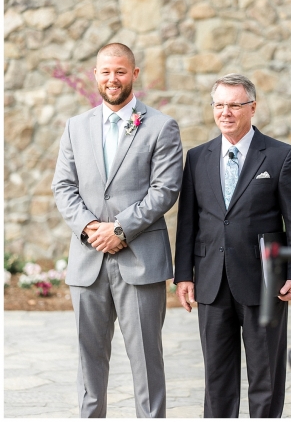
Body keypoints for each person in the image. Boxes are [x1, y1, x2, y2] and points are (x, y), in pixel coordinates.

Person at [52, 43, 183, 417]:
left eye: (121, 71)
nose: (113, 79)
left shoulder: (161, 126)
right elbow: (64, 187)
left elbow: (165, 190)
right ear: (95, 75)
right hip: (87, 259)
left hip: (140, 261)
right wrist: (92, 227)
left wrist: (120, 229)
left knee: (146, 360)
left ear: (135, 75)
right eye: (106, 72)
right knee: (88, 361)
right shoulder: (76, 127)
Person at [173, 73, 291, 418]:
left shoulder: (281, 156)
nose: (226, 112)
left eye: (234, 105)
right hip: (211, 281)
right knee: (216, 377)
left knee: (266, 375)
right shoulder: (196, 158)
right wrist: (183, 276)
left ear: (252, 108)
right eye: (219, 105)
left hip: (265, 282)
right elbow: (188, 221)